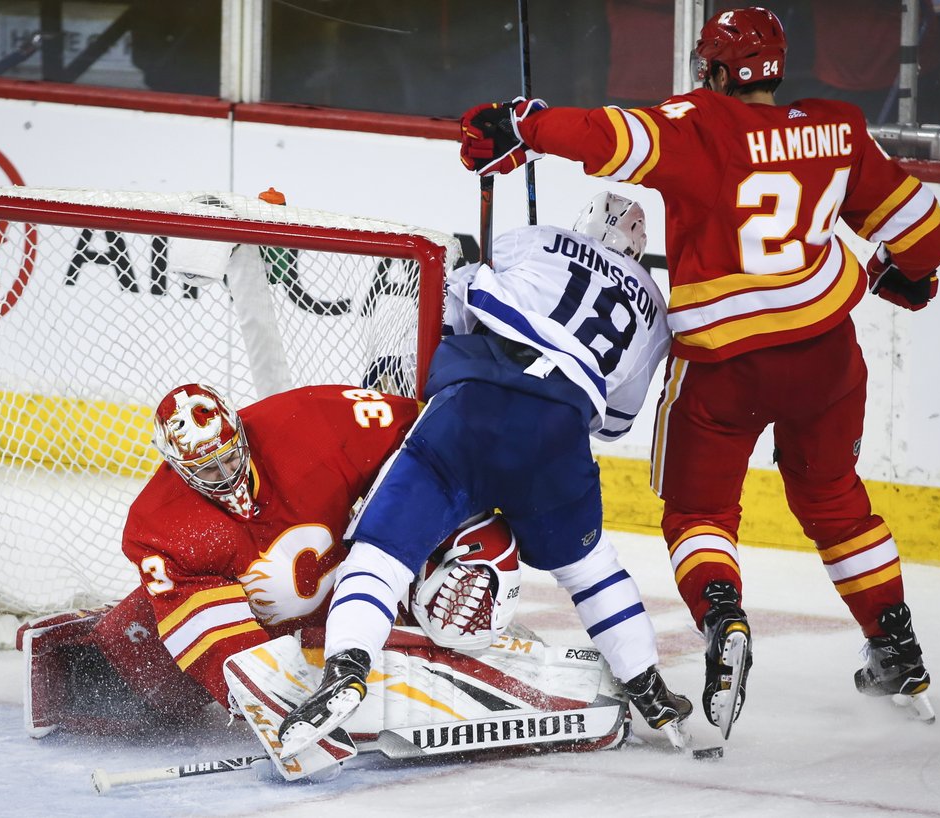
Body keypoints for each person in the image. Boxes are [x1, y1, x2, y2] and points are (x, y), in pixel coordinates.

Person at [456, 6, 940, 740]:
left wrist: (521, 124)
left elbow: (608, 135)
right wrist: (901, 277)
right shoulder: (837, 128)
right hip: (826, 357)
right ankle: (897, 647)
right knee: (835, 498)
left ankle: (724, 618)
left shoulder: (700, 124)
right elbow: (928, 236)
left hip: (725, 368)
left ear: (715, 70)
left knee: (699, 513)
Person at [17, 382, 633, 780]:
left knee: (466, 592)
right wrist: (272, 706)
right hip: (253, 634)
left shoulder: (317, 421)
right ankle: (79, 651)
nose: (227, 476)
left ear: (241, 435)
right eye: (207, 470)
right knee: (134, 679)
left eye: (231, 458)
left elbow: (435, 443)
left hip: (359, 595)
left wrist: (455, 532)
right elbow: (220, 647)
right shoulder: (163, 528)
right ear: (177, 468)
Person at [273, 192, 692, 767]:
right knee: (592, 570)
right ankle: (649, 687)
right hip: (558, 433)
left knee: (382, 552)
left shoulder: (536, 237)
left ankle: (345, 670)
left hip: (472, 407)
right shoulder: (651, 304)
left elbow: (457, 292)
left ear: (584, 224)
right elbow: (616, 422)